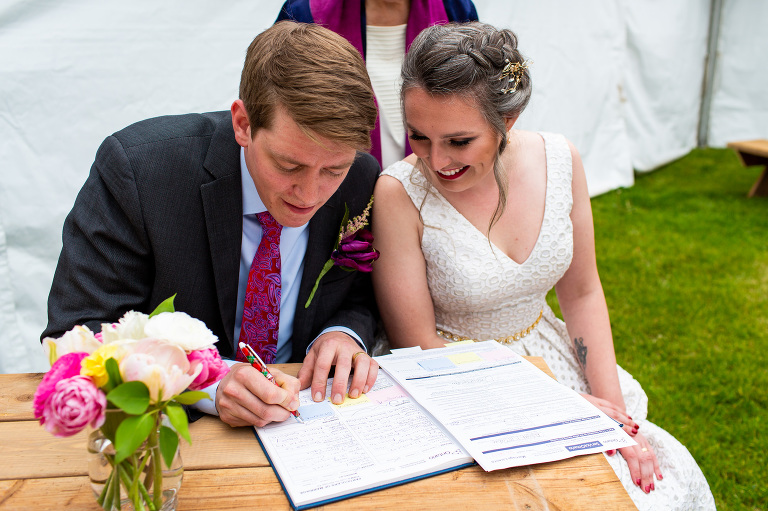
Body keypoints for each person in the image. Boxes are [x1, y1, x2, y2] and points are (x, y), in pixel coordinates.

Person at [371, 22, 716, 510]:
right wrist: (552, 406)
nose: (435, 160)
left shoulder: (561, 159)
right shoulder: (398, 193)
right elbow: (417, 344)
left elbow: (582, 293)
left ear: (508, 120)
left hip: (549, 357)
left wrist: (613, 416)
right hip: (451, 381)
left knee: (650, 483)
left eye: (459, 141)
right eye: (419, 137)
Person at [42, 21, 380, 428]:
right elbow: (79, 331)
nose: (309, 194)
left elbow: (359, 295)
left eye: (334, 169)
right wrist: (209, 384)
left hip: (310, 423)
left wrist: (343, 333)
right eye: (289, 165)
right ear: (243, 124)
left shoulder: (361, 179)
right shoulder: (140, 173)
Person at [276, 0, 478, 169]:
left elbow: (477, 104)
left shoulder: (455, 9)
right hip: (336, 190)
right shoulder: (306, 13)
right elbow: (276, 106)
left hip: (439, 179)